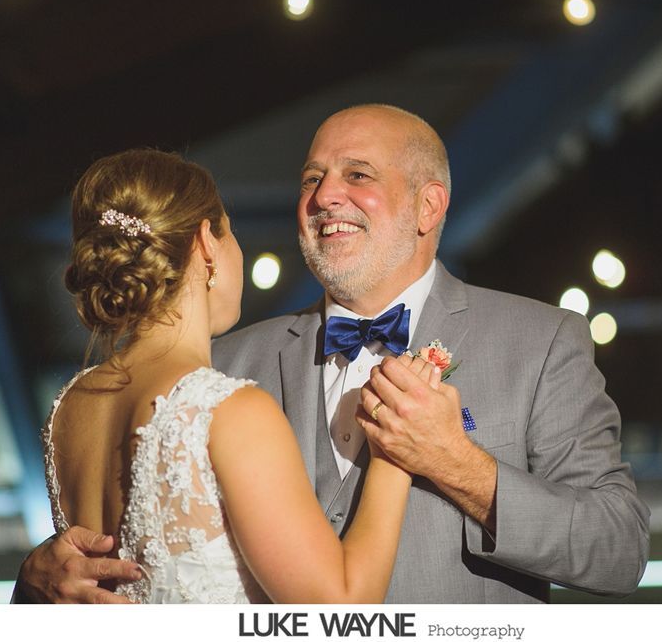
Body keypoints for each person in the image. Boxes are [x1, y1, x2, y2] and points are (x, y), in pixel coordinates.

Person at [17, 105, 650, 604]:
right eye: (312, 178)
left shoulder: (540, 343)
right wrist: (35, 581)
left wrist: (460, 465)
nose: (324, 197)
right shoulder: (219, 370)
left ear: (429, 205)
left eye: (357, 175)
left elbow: (620, 549)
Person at [32, 148, 443, 603]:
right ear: (207, 242)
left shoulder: (70, 406)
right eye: (231, 233)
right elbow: (340, 611)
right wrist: (394, 453)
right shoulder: (225, 410)